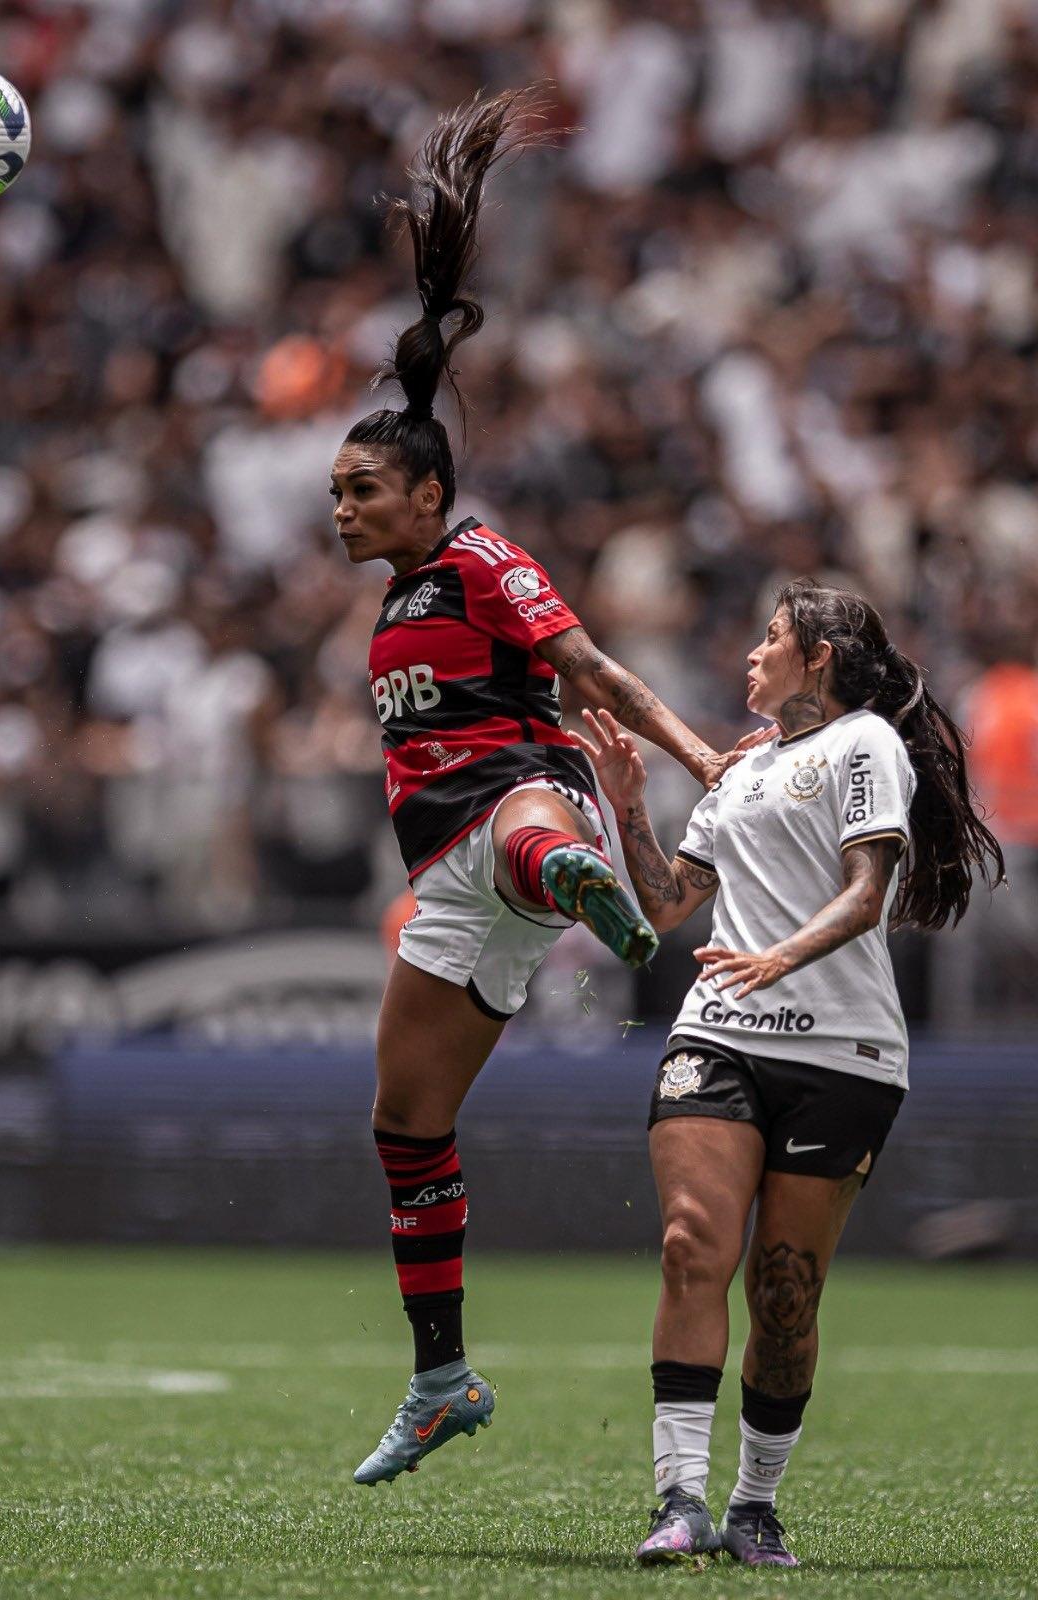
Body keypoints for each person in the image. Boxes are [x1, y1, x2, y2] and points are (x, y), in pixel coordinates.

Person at [336, 87, 756, 1488]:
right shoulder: (394, 609)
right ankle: (443, 1375)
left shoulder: (480, 562)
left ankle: (573, 882)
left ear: (424, 490)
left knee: (528, 823)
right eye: (337, 492)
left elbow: (592, 675)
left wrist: (696, 759)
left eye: (359, 489)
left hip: (525, 799)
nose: (340, 508)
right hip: (443, 879)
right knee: (407, 1126)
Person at [569, 578, 1005, 1566]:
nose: (752, 652)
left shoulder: (865, 746)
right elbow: (667, 905)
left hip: (840, 1049)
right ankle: (676, 1499)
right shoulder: (738, 768)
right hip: (717, 1031)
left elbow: (864, 892)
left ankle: (753, 1503)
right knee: (690, 1244)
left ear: (816, 654)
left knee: (784, 1289)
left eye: (769, 637)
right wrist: (626, 805)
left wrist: (779, 955)